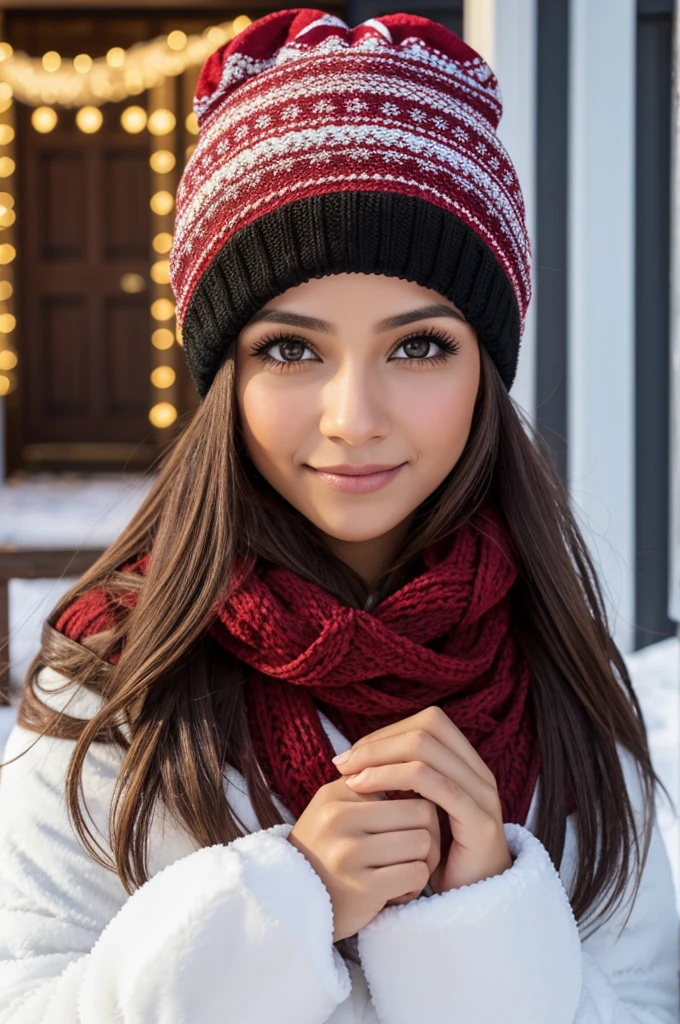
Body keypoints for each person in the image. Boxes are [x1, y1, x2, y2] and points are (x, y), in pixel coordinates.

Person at [0, 8, 678, 1023]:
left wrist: (484, 916)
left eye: (416, 348)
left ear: (485, 370)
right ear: (220, 374)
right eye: (288, 348)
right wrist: (277, 910)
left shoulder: (561, 678)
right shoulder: (114, 685)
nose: (352, 419)